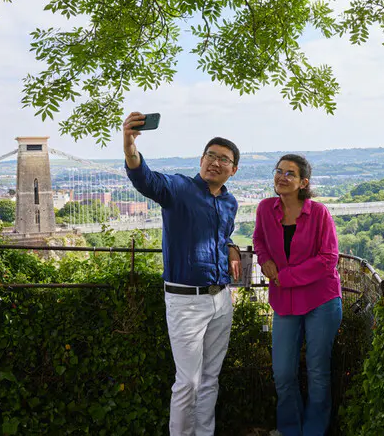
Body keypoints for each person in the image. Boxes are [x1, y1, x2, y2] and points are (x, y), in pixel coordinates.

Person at [123, 111, 242, 436]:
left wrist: (230, 245)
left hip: (221, 300)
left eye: (224, 159)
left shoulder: (229, 203)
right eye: (210, 155)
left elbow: (219, 235)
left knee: (209, 379)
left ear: (233, 169)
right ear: (201, 159)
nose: (215, 162)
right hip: (185, 301)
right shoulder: (178, 188)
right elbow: (145, 178)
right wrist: (130, 146)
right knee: (187, 381)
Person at [253, 154, 342, 436]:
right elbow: (258, 240)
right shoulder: (265, 208)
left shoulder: (319, 213)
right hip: (285, 301)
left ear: (304, 182)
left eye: (290, 173)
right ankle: (290, 430)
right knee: (282, 373)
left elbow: (329, 258)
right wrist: (264, 259)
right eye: (278, 171)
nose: (282, 177)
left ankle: (314, 431)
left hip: (321, 300)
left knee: (317, 371)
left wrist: (284, 277)